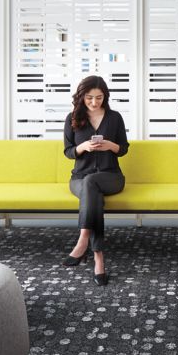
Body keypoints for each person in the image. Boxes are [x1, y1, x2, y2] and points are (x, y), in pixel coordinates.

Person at [63, 75, 129, 285]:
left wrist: (111, 145)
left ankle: (83, 240)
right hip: (80, 178)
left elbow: (123, 149)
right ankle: (98, 258)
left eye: (99, 98)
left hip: (111, 177)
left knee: (92, 183)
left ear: (105, 97)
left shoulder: (115, 118)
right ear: (82, 97)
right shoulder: (72, 118)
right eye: (89, 98)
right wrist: (82, 148)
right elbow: (68, 152)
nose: (94, 102)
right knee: (92, 193)